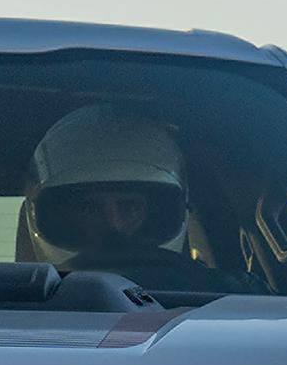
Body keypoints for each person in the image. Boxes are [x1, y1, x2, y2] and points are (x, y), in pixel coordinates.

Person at [20, 103, 206, 283]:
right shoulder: (11, 311)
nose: (114, 224)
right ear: (58, 218)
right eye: (89, 209)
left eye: (131, 207)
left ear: (158, 214)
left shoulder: (211, 301)